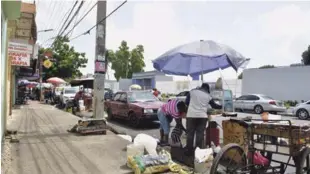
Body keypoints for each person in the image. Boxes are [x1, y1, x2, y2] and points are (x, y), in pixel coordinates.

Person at [185, 83, 222, 151]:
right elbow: (214, 106)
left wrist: (193, 105)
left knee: (190, 134)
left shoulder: (192, 91)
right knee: (200, 134)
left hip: (191, 115)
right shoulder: (208, 96)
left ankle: (189, 151)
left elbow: (186, 102)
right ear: (207, 89)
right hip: (202, 117)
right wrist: (222, 106)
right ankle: (198, 151)